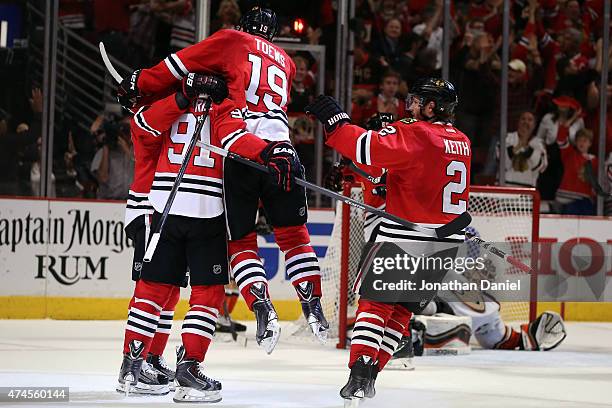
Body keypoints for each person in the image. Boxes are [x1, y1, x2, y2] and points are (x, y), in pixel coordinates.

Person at [116, 6, 328, 353]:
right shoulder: (287, 64)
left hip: (236, 154)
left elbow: (178, 65)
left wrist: (142, 82)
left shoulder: (229, 50)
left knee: (239, 243)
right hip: (281, 149)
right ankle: (313, 304)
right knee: (294, 237)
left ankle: (260, 307)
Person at [117, 73, 294, 402]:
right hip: (207, 208)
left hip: (164, 207)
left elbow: (142, 126)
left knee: (153, 289)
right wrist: (270, 153)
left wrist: (180, 97)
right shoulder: (228, 105)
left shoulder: (170, 102)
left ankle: (132, 363)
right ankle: (188, 368)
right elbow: (235, 141)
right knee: (207, 293)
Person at [306, 78, 470, 404]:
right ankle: (370, 376)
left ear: (431, 107)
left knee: (375, 306)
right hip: (444, 245)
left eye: (415, 101)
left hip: (404, 236)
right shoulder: (462, 141)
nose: (408, 106)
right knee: (401, 314)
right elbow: (401, 170)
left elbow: (364, 147)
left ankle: (358, 374)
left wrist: (336, 121)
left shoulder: (416, 132)